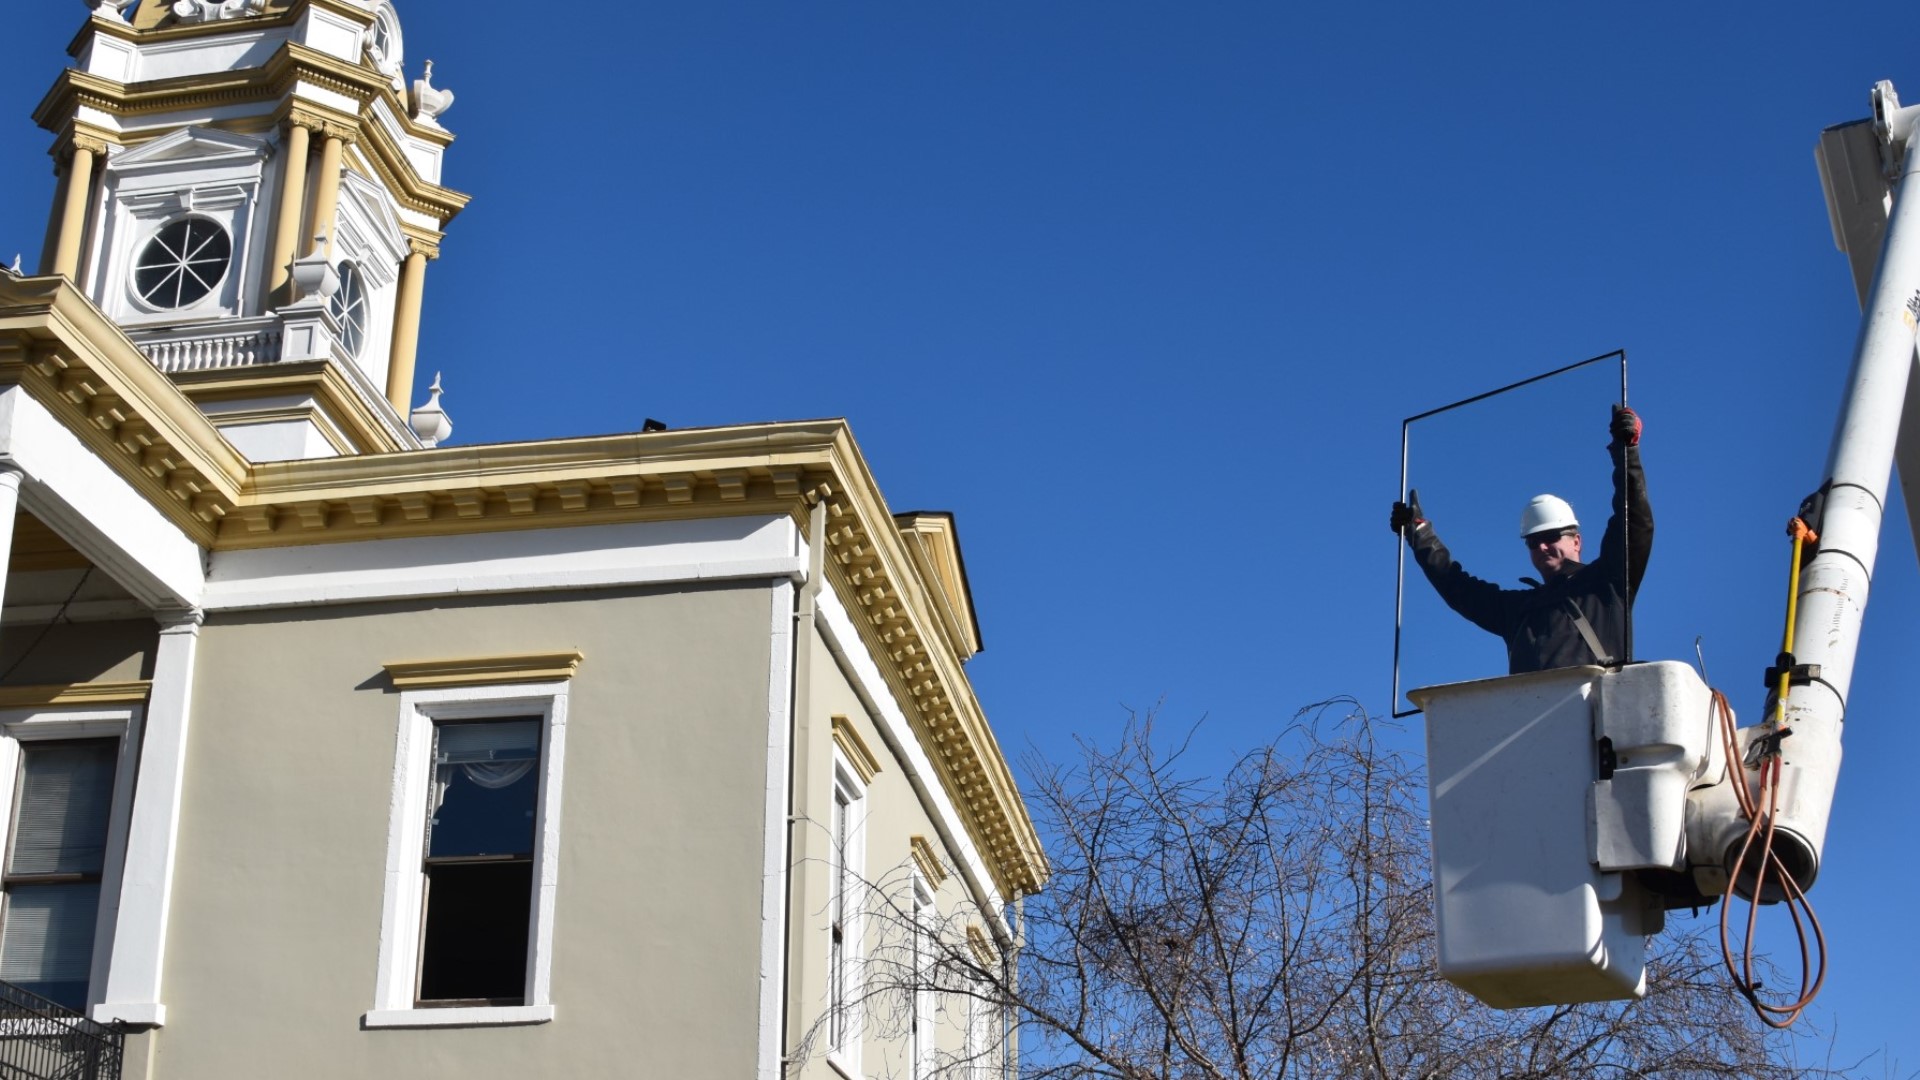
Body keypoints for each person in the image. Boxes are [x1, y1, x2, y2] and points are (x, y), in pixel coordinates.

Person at [1391, 404, 1651, 675]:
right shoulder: (1517, 609)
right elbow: (1456, 585)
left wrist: (1627, 453)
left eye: (1551, 537)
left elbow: (1633, 522)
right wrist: (1418, 532)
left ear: (1577, 541)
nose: (1541, 546)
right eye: (1532, 541)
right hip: (1530, 713)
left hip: (1599, 711)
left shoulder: (1607, 582)